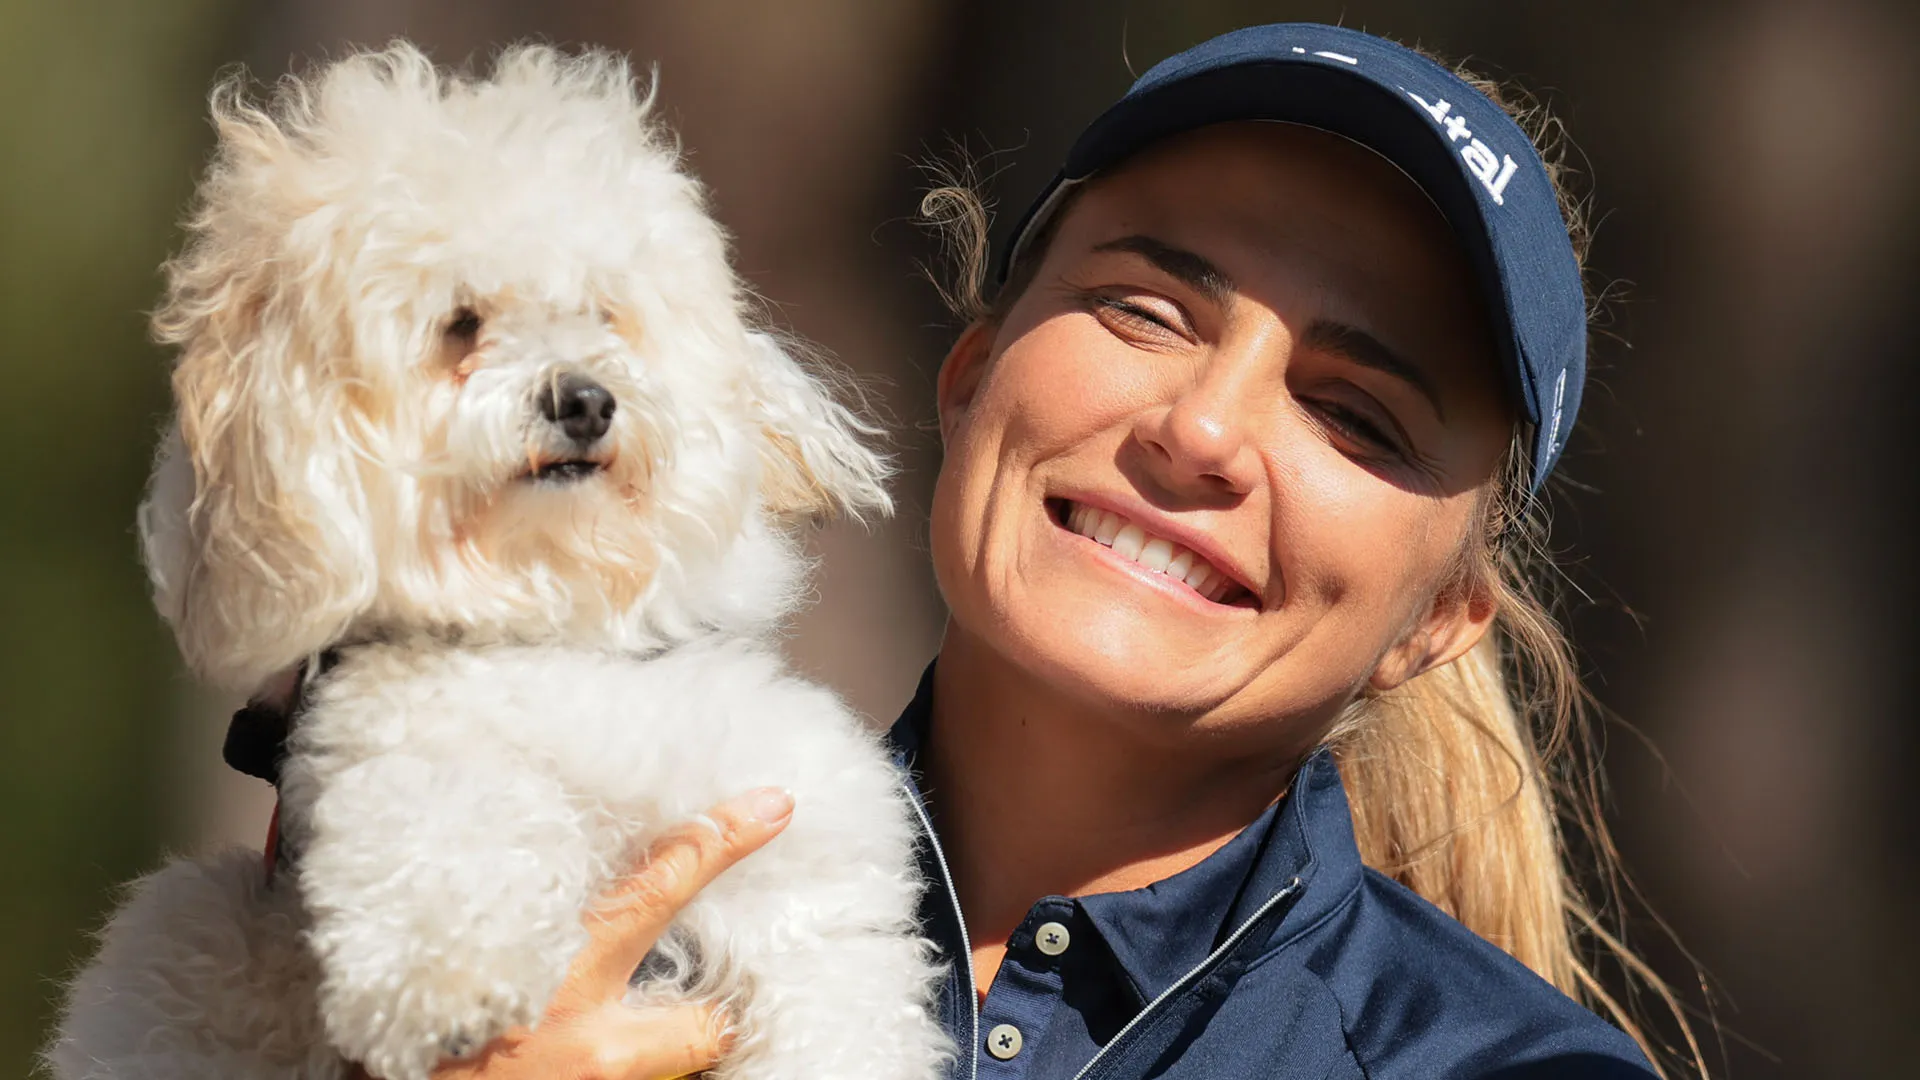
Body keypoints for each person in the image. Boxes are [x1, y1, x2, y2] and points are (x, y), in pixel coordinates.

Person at [362, 22, 1693, 1080]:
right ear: (974, 376)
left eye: (1354, 414)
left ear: (1440, 621)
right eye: (1147, 309)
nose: (1206, 429)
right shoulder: (502, 895)